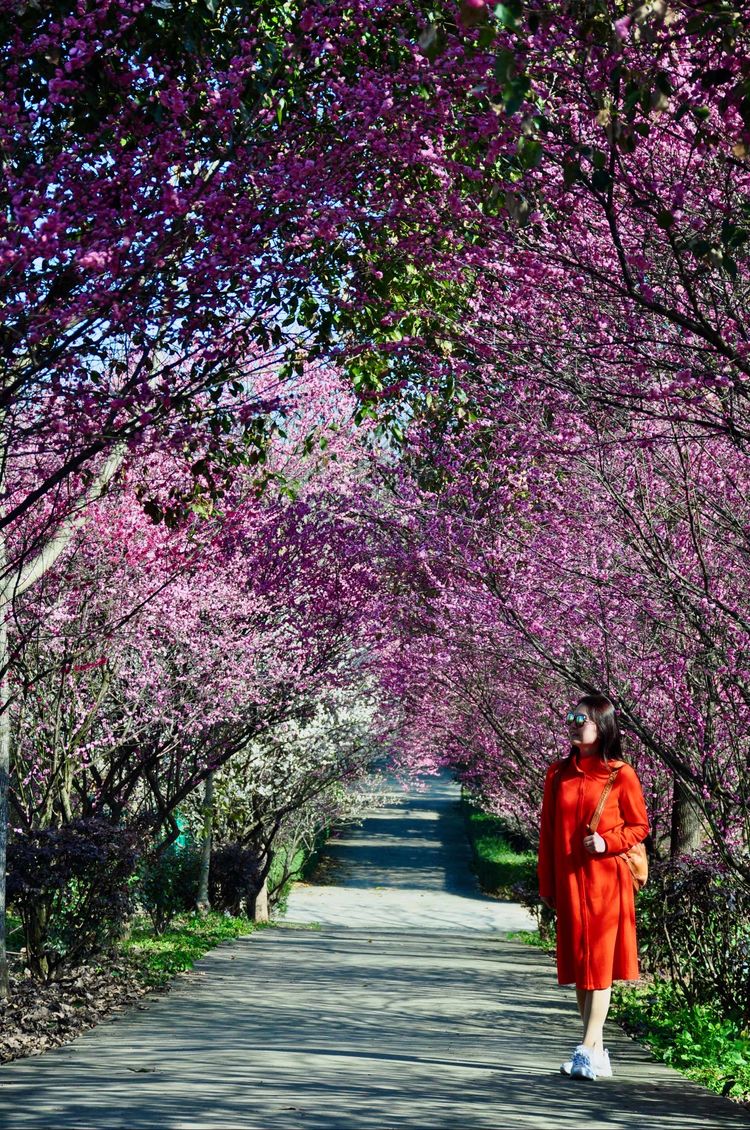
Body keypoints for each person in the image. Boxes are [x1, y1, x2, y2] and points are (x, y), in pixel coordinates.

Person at [537, 692, 649, 1081]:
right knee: (580, 966)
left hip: (606, 882)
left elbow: (639, 827)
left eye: (580, 718)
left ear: (601, 726)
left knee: (599, 964)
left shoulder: (622, 774)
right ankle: (597, 1051)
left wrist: (608, 842)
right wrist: (546, 883)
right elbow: (548, 833)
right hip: (569, 881)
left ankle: (586, 1048)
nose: (572, 722)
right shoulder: (557, 773)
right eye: (570, 715)